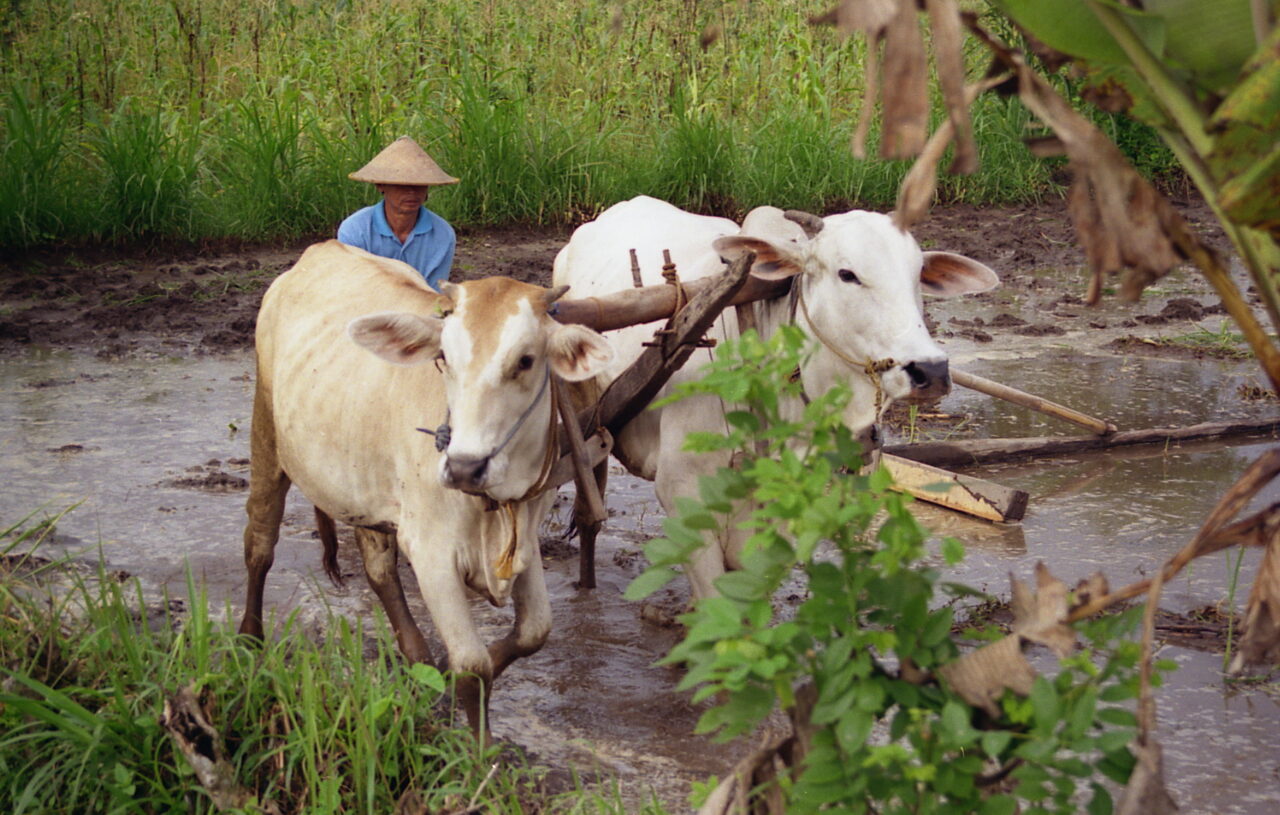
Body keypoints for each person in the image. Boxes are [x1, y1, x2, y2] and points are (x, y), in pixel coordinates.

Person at [337, 136, 459, 291]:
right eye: (402, 185)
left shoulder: (442, 233)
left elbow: (435, 293)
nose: (412, 192)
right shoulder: (355, 229)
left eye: (419, 185)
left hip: (421, 309)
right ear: (380, 186)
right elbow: (354, 288)